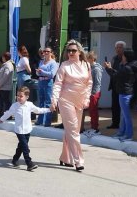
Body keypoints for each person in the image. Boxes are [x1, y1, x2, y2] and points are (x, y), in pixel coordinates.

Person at [50, 39, 92, 171]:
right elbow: (57, 84)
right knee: (73, 130)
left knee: (72, 130)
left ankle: (65, 157)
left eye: (73, 50)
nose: (71, 53)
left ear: (80, 52)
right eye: (69, 51)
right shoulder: (64, 65)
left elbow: (89, 83)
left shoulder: (86, 65)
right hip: (65, 100)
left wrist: (87, 99)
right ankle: (78, 160)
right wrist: (54, 100)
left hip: (80, 101)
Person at [0, 86, 50, 171]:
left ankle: (15, 160)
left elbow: (38, 110)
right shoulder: (14, 106)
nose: (19, 98)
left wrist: (49, 110)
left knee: (21, 147)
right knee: (25, 147)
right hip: (19, 130)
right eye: (17, 96)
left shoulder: (29, 105)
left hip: (27, 129)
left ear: (27, 97)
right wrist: (1, 119)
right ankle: (29, 164)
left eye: (21, 96)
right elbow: (8, 113)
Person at [105, 49, 137, 142]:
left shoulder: (127, 68)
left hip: (125, 94)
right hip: (126, 93)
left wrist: (108, 68)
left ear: (126, 57)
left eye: (123, 56)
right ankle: (122, 132)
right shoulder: (130, 66)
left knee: (126, 116)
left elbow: (115, 75)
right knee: (123, 115)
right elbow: (118, 73)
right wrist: (113, 68)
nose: (122, 57)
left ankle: (128, 135)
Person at [104, 41, 126, 129]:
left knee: (123, 108)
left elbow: (121, 74)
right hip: (114, 86)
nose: (118, 49)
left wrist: (110, 69)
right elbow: (112, 73)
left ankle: (123, 125)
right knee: (115, 106)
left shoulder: (125, 59)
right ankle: (115, 123)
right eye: (117, 47)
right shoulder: (114, 58)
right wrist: (107, 68)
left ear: (124, 49)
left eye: (120, 47)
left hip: (123, 87)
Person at [35, 47, 58, 127]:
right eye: (44, 51)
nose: (45, 53)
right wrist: (38, 73)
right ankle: (40, 120)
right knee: (41, 102)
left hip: (48, 83)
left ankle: (47, 122)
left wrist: (42, 72)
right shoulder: (41, 62)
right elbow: (38, 73)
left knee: (48, 102)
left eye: (48, 51)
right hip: (40, 82)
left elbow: (52, 74)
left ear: (51, 53)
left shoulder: (53, 63)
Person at [82, 51, 103, 136]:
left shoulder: (96, 69)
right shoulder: (91, 68)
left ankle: (95, 128)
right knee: (91, 111)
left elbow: (97, 83)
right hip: (90, 92)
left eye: (88, 58)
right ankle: (93, 127)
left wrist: (93, 93)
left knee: (94, 111)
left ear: (91, 59)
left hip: (94, 93)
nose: (86, 60)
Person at [0, 51, 14, 119]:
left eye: (2, 57)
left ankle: (7, 115)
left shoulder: (8, 65)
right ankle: (1, 114)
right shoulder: (5, 64)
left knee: (5, 101)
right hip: (1, 86)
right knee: (2, 101)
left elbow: (5, 76)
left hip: (5, 87)